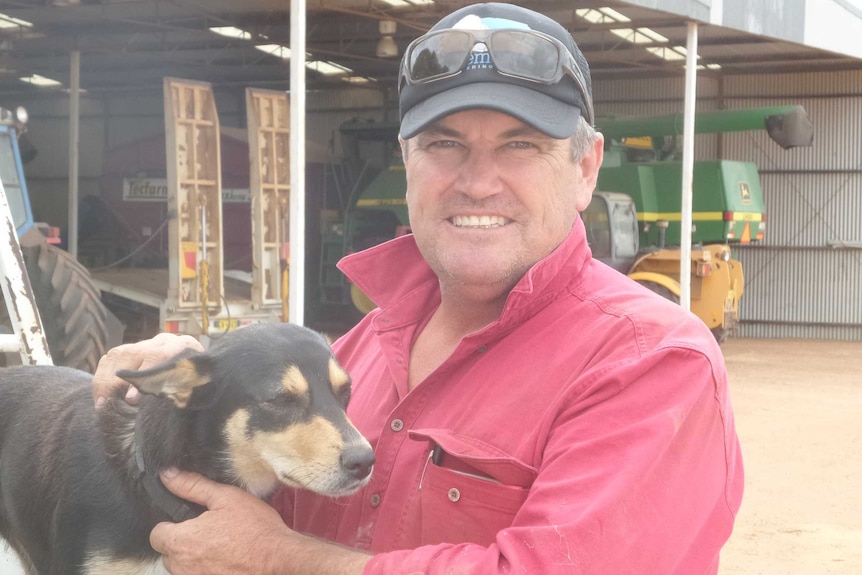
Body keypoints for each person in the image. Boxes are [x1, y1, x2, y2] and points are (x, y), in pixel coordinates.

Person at [94, 3, 743, 573]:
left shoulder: (651, 361)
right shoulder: (356, 352)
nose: (478, 181)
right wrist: (167, 399)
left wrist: (278, 559)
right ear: (407, 162)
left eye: (520, 145)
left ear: (585, 168)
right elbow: (243, 496)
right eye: (444, 143)